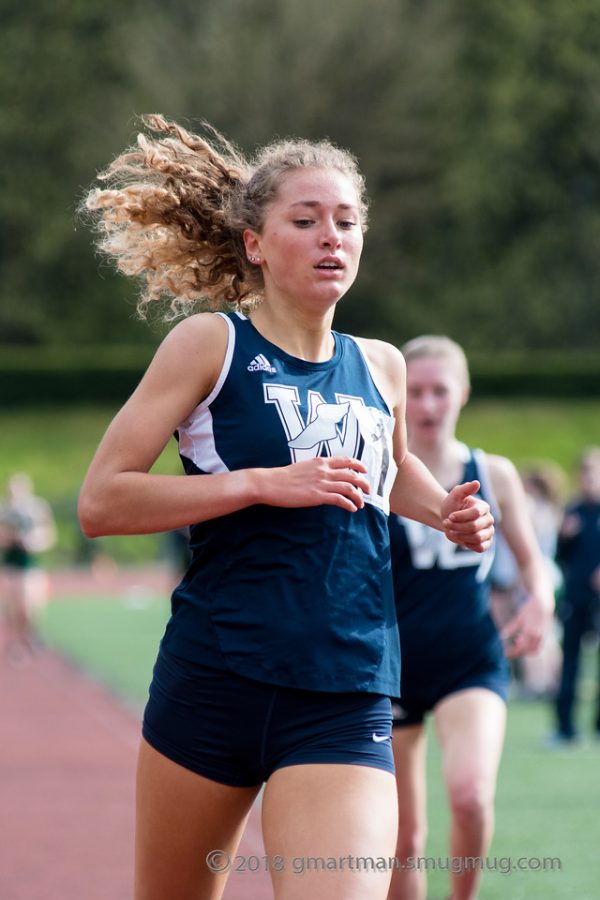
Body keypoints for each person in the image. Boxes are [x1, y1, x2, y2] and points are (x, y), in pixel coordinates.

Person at [78, 115, 494, 900]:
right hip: (213, 681)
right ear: (255, 244)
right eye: (304, 221)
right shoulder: (211, 345)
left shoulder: (382, 365)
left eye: (346, 221)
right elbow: (101, 502)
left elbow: (389, 467)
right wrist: (259, 481)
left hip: (344, 688)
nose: (330, 237)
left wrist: (445, 510)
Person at [387, 336, 554, 900]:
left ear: (463, 394)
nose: (429, 405)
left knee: (470, 795)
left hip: (470, 660)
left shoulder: (494, 471)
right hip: (392, 666)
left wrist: (540, 605)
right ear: (397, 397)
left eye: (441, 391)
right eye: (416, 392)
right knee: (403, 839)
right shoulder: (379, 472)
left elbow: (534, 566)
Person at [551, 447, 600, 745]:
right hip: (576, 598)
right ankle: (564, 727)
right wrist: (564, 537)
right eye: (585, 473)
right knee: (570, 661)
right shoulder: (574, 511)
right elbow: (560, 557)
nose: (589, 479)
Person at [0, 472, 57, 660]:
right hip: (11, 564)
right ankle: (19, 642)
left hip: (30, 565)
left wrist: (35, 541)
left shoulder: (37, 509)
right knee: (11, 608)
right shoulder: (5, 511)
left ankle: (30, 637)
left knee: (29, 605)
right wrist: (12, 538)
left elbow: (49, 535)